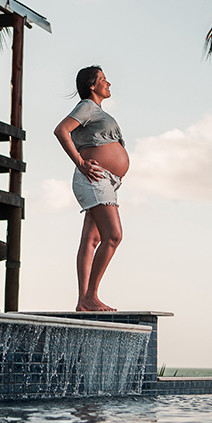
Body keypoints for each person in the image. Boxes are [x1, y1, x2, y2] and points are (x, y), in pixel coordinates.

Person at [53, 66, 129, 312]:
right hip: (95, 177)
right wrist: (80, 162)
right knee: (114, 236)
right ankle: (91, 296)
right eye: (103, 80)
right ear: (91, 86)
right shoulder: (87, 106)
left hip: (107, 180)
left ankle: (83, 302)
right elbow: (61, 130)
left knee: (92, 239)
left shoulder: (96, 112)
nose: (108, 83)